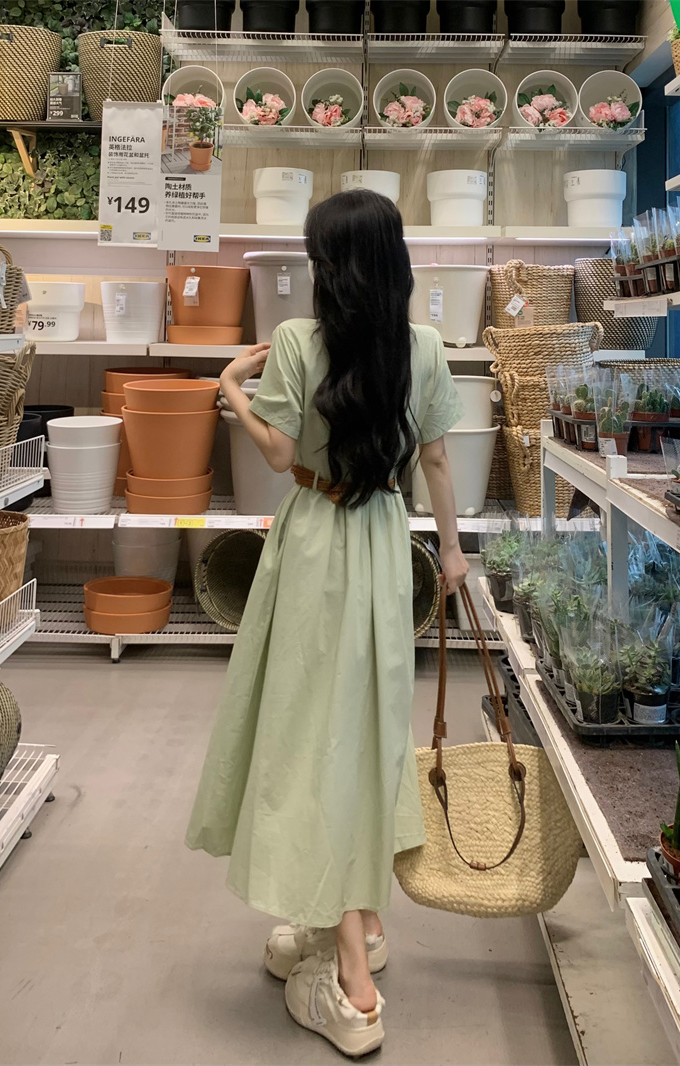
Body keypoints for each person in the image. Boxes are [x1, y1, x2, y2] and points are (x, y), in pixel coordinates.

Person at [186, 189, 468, 1057]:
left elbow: (278, 455)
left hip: (314, 542)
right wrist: (453, 555)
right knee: (368, 729)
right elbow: (437, 460)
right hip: (385, 542)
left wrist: (231, 387)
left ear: (331, 268)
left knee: (311, 734)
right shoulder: (424, 348)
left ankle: (351, 976)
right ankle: (361, 920)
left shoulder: (297, 343)